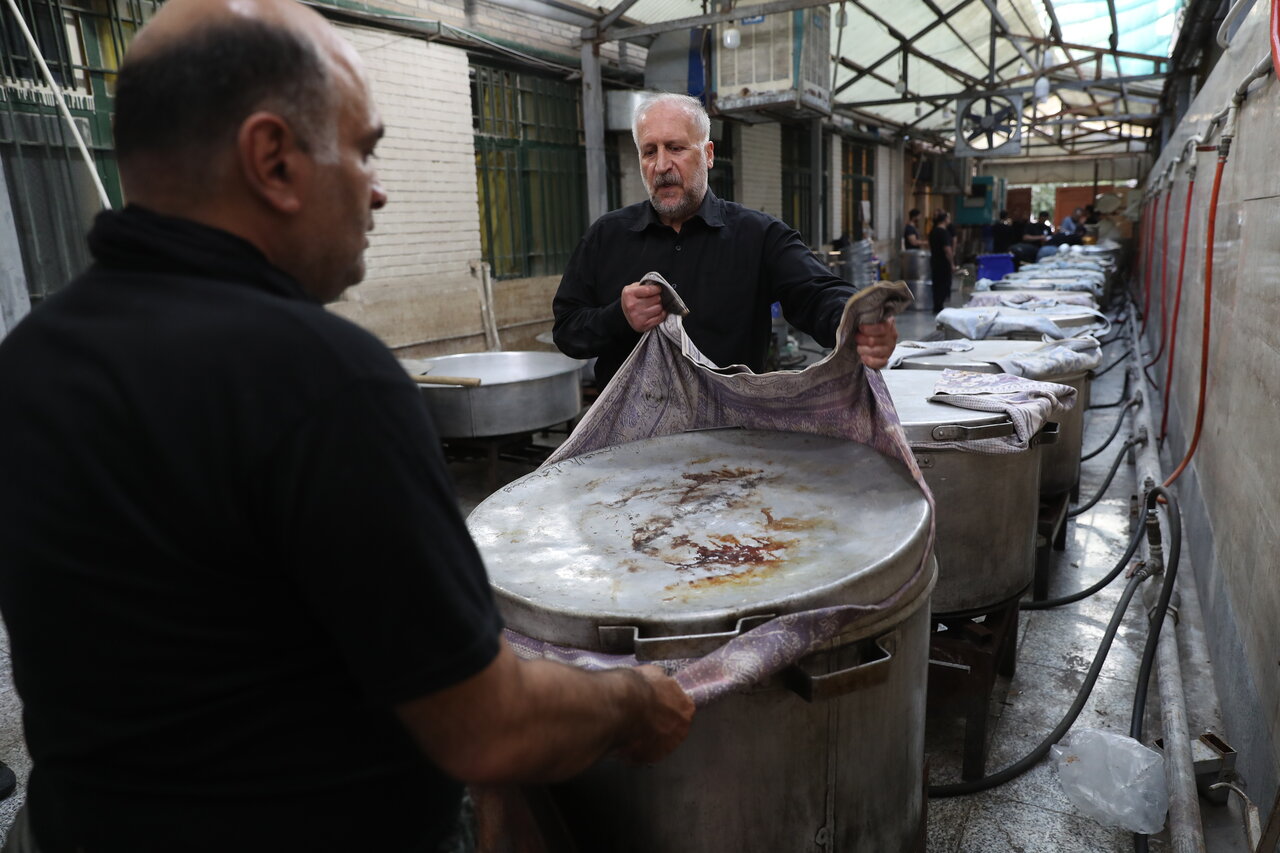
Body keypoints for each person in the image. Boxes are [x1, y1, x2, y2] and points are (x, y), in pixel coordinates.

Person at [0, 1, 694, 850]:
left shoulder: (30, 359)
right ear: (272, 160)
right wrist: (635, 698)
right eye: (362, 150)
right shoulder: (323, 379)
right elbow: (487, 723)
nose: (377, 187)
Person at [551, 93, 897, 390]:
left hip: (728, 442)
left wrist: (860, 322)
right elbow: (567, 331)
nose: (661, 165)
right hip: (628, 446)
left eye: (675, 148)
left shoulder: (758, 235)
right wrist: (618, 316)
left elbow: (816, 292)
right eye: (649, 151)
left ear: (709, 154)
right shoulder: (606, 236)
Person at [928, 210, 958, 314]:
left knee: (936, 285)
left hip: (934, 261)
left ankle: (937, 306)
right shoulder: (943, 232)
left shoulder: (933, 231)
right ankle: (939, 306)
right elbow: (947, 250)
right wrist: (952, 264)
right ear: (945, 220)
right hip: (943, 262)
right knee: (944, 284)